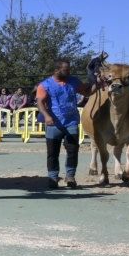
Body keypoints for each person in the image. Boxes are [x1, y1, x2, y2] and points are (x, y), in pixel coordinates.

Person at [35, 58, 96, 189]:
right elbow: (39, 102)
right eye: (66, 70)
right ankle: (53, 177)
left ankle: (70, 176)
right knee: (52, 153)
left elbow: (87, 91)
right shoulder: (45, 85)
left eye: (69, 69)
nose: (69, 72)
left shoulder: (73, 81)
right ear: (56, 70)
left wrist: (96, 81)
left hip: (71, 122)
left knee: (73, 151)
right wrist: (46, 116)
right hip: (53, 124)